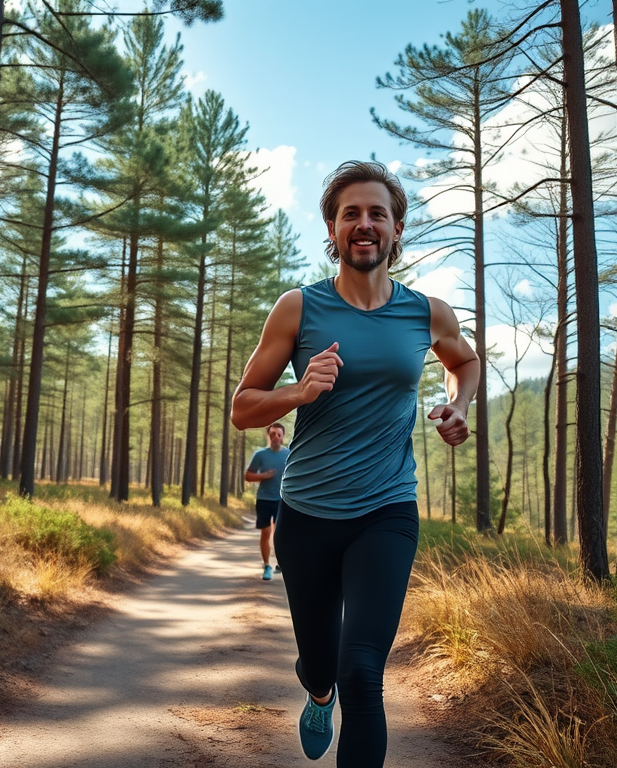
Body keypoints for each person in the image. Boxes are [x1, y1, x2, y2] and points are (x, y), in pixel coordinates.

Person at [230, 160, 479, 767]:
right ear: (333, 229)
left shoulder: (426, 312)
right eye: (351, 214)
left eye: (377, 214)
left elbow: (465, 362)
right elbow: (242, 407)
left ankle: (339, 687)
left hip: (386, 510)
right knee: (323, 665)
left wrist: (457, 405)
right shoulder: (298, 309)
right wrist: (297, 391)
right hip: (308, 513)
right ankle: (317, 691)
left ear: (396, 230)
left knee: (364, 670)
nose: (364, 224)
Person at [244, 422, 290, 581]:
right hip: (264, 499)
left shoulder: (289, 454)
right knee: (266, 532)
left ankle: (281, 564)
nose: (275, 437)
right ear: (268, 436)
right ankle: (267, 565)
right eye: (272, 434)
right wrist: (263, 476)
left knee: (280, 533)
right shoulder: (260, 455)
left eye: (278, 434)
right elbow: (248, 476)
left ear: (283, 437)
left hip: (283, 500)